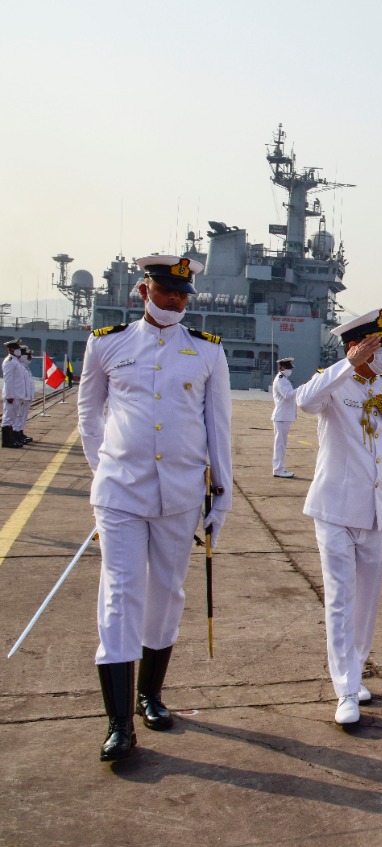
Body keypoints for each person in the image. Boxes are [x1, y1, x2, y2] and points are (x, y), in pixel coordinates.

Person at [78, 253, 232, 760]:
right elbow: (90, 414)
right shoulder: (107, 344)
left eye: (184, 295)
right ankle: (119, 724)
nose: (177, 301)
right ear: (145, 289)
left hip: (181, 494)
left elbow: (219, 430)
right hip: (121, 493)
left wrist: (220, 497)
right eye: (168, 291)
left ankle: (150, 694)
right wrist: (106, 471)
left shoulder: (207, 352)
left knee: (167, 594)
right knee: (121, 595)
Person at [295, 308, 382, 726]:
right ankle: (344, 688)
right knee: (340, 598)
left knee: (367, 602)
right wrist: (348, 364)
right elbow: (303, 401)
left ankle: (356, 670)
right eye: (378, 346)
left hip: (379, 511)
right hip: (336, 508)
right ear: (357, 346)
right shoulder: (333, 385)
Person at [271, 357, 298, 478]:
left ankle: (280, 468)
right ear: (281, 368)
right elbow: (287, 395)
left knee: (281, 444)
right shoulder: (281, 379)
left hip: (284, 416)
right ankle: (278, 469)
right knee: (280, 445)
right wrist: (303, 388)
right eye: (287, 368)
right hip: (281, 416)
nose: (289, 370)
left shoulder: (284, 379)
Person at [1, 338, 22, 448]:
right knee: (8, 418)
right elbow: (8, 379)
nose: (19, 350)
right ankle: (6, 441)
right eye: (17, 348)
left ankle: (11, 440)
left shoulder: (15, 361)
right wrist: (9, 396)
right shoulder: (9, 361)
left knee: (12, 418)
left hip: (16, 395)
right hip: (12, 395)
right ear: (11, 349)